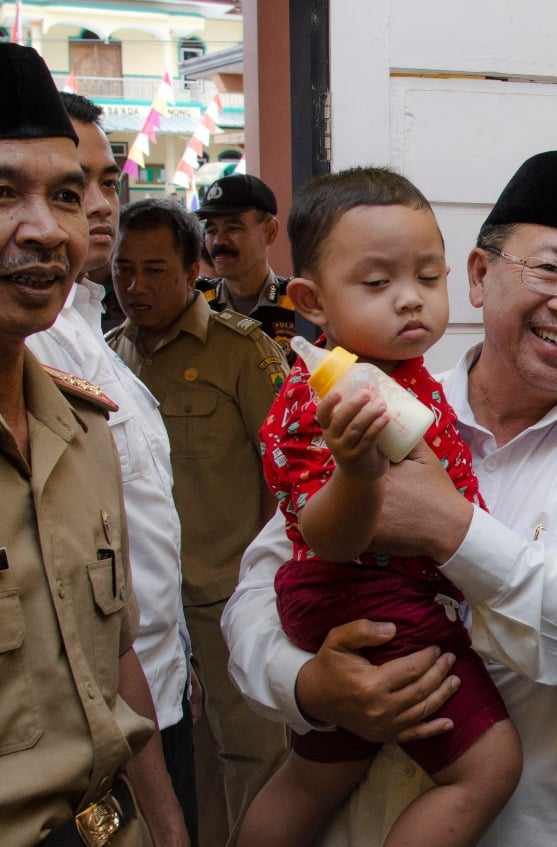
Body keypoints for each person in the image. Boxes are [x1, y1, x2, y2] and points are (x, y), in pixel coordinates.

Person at [222, 149, 557, 846]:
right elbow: (262, 589)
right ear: (479, 276)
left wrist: (453, 528)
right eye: (551, 268)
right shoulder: (371, 401)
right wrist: (307, 686)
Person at [240, 167, 521, 847]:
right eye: (377, 283)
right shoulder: (329, 398)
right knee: (489, 765)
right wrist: (359, 474)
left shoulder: (403, 377)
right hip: (360, 593)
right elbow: (321, 536)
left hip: (360, 593)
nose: (410, 301)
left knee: (320, 771)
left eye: (429, 277)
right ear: (311, 299)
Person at [0, 41, 166, 846]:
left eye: (65, 195)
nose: (44, 229)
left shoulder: (83, 428)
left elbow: (115, 663)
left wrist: (169, 828)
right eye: (1, 192)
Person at [26, 91, 199, 845]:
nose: (93, 208)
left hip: (153, 700)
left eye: (94, 184)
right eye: (73, 187)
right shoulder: (38, 341)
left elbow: (124, 587)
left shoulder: (88, 352)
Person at [107, 199, 289, 847]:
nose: (135, 286)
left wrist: (264, 585)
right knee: (178, 765)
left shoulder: (244, 354)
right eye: (123, 269)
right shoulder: (106, 362)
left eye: (155, 269)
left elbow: (284, 474)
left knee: (255, 759)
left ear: (193, 271)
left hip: (226, 601)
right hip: (149, 615)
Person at [195, 172, 307, 352]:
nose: (219, 241)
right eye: (211, 231)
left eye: (233, 228)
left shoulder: (300, 304)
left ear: (270, 231)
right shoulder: (195, 303)